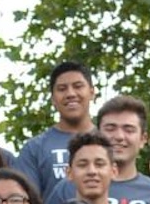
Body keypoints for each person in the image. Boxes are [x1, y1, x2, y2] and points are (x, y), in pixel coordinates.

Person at [45, 96, 150, 204]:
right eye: (110, 128)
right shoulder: (68, 188)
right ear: (97, 133)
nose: (119, 136)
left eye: (128, 130)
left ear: (143, 139)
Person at [16, 61, 98, 196]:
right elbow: (26, 203)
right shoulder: (34, 148)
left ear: (92, 92)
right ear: (53, 98)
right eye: (62, 89)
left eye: (78, 86)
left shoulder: (110, 143)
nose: (70, 93)